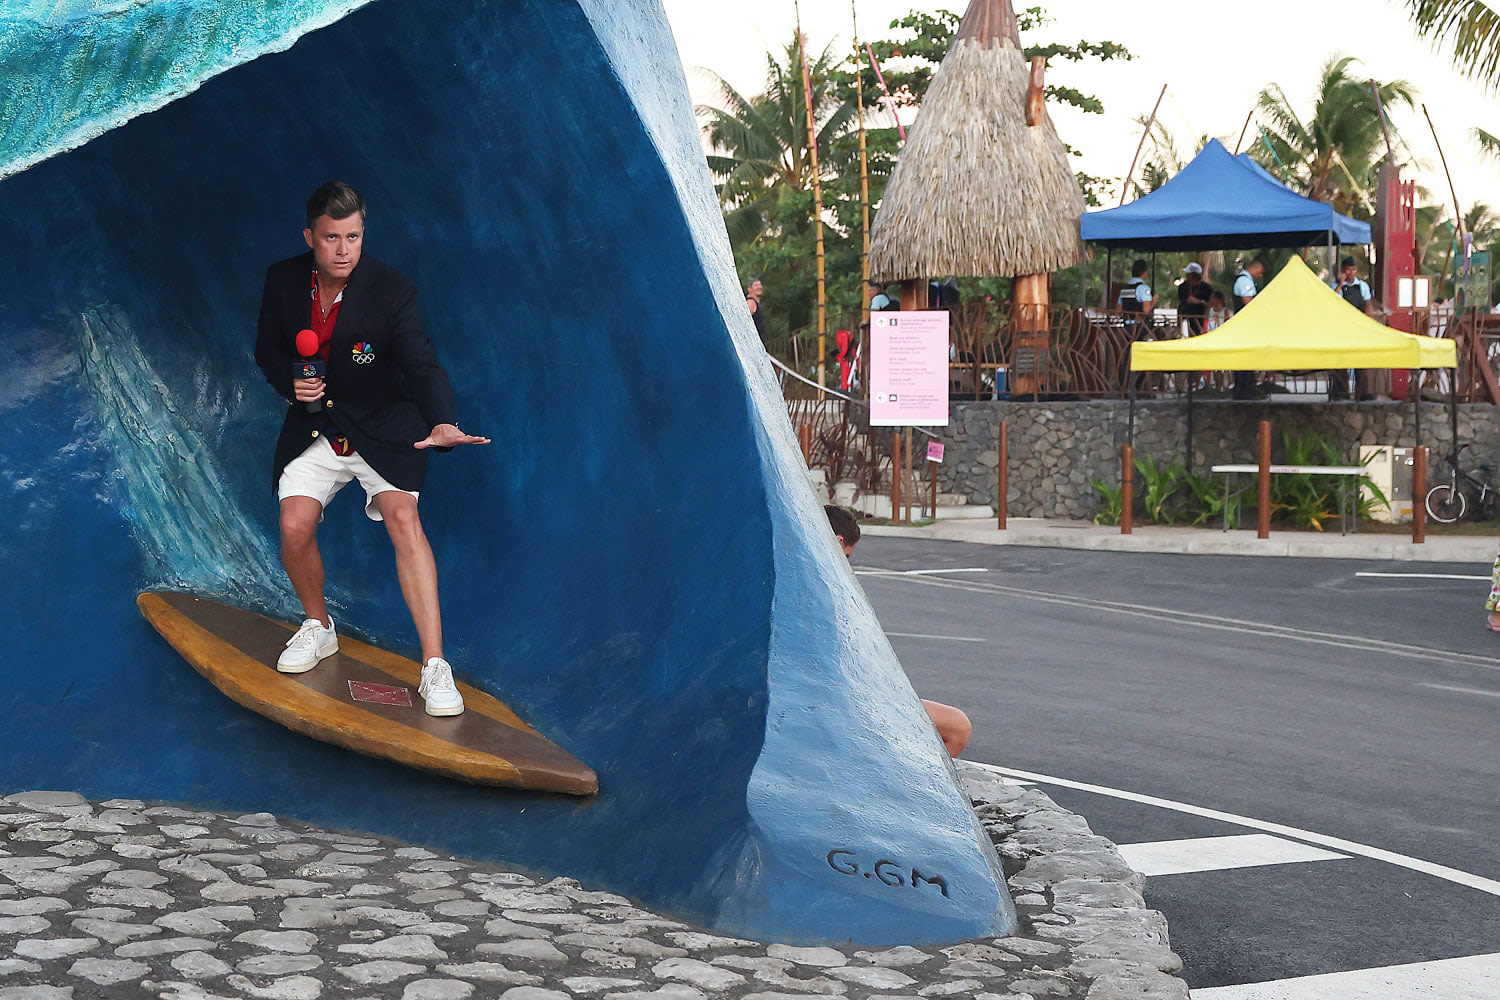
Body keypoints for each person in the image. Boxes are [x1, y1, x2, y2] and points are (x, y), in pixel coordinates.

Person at [253, 181, 491, 716]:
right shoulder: (284, 281)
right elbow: (267, 349)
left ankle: (434, 667)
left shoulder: (392, 291)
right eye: (332, 238)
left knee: (403, 517)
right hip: (317, 426)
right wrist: (291, 385)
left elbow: (422, 363)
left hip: (385, 425)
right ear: (310, 236)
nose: (344, 251)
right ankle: (319, 626)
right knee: (294, 525)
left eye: (354, 237)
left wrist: (444, 421)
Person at [825, 505, 973, 757]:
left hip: (851, 691)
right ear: (839, 541)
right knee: (958, 727)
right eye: (848, 556)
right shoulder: (830, 587)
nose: (847, 565)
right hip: (850, 697)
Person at [1329, 256, 1373, 399]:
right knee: (1340, 363)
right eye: (1348, 270)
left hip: (1358, 328)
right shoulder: (1335, 287)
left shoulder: (1363, 286)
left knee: (1361, 363)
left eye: (1353, 270)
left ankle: (1362, 394)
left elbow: (1368, 305)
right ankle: (1340, 394)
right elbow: (1332, 301)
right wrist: (1340, 284)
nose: (1351, 273)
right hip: (1341, 328)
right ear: (1343, 271)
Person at [1231, 255, 1269, 399]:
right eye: (1261, 272)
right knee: (1244, 358)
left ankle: (1247, 387)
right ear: (1257, 267)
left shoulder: (1246, 280)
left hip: (1244, 326)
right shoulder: (1244, 281)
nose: (1260, 275)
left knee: (1246, 357)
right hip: (1243, 326)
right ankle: (1244, 389)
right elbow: (1248, 302)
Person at [1176, 262, 1213, 336]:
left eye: (1188, 273)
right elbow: (1181, 299)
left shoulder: (1207, 288)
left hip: (1199, 315)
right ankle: (1179, 334)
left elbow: (1210, 304)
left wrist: (1198, 302)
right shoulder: (1183, 286)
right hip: (1184, 313)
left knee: (1197, 332)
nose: (1187, 275)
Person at [747, 279, 768, 344]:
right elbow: (744, 320)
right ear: (749, 288)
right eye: (756, 285)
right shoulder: (751, 302)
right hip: (753, 343)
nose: (759, 287)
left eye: (760, 285)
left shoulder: (754, 302)